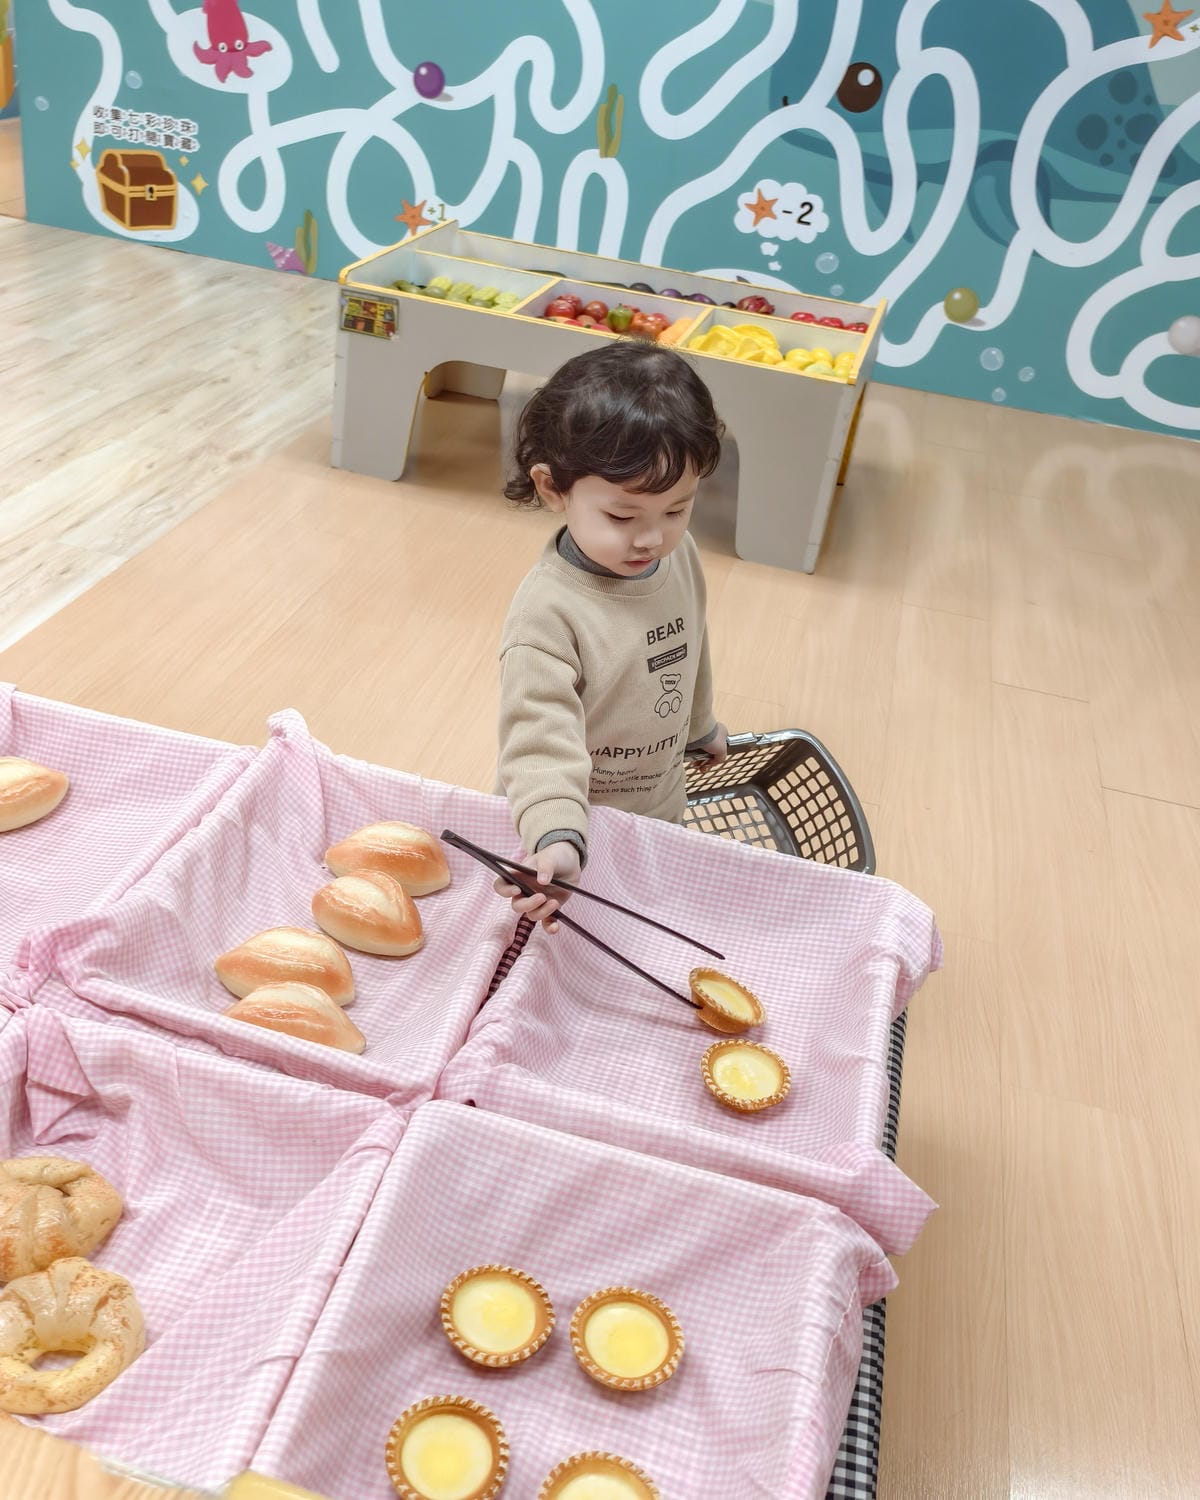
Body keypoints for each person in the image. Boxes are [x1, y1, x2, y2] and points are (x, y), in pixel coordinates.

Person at [495, 339, 729, 931]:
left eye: (677, 510)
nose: (651, 538)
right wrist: (555, 839)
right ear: (553, 489)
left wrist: (700, 726)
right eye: (622, 517)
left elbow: (688, 649)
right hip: (567, 836)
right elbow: (537, 738)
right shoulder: (547, 615)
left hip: (659, 809)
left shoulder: (678, 557)